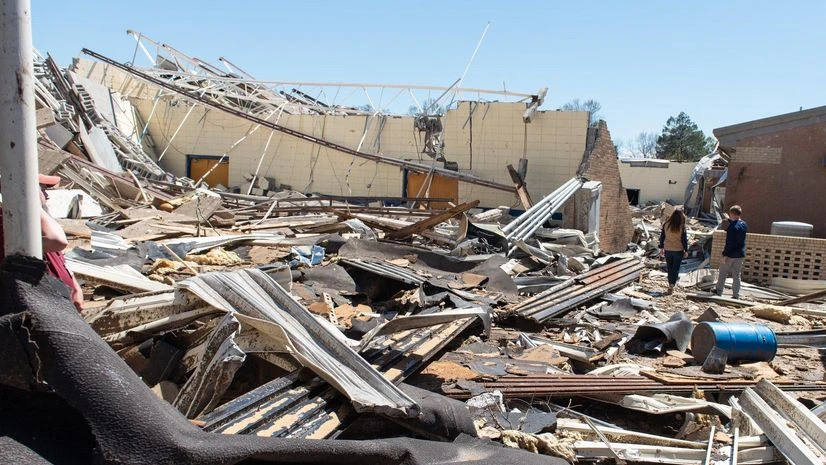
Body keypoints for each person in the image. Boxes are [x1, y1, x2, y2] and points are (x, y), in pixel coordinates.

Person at [0, 174, 84, 311]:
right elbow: (58, 241)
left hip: (59, 301)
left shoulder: (41, 221)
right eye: (42, 189)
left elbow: (58, 255)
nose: (47, 195)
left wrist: (75, 286)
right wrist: (31, 202)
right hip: (39, 304)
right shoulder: (14, 218)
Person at [715, 205, 748, 299]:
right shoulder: (744, 224)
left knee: (723, 273)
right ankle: (735, 294)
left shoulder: (732, 228)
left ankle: (718, 291)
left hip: (730, 255)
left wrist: (725, 255)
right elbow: (736, 224)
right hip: (740, 254)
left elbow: (729, 243)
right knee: (737, 275)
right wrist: (729, 220)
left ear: (732, 214)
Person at [659, 208, 689, 294]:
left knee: (669, 268)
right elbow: (684, 240)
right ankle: (672, 284)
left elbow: (662, 237)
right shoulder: (682, 226)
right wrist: (686, 250)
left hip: (668, 249)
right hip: (678, 250)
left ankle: (670, 284)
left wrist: (661, 248)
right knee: (675, 268)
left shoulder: (666, 224)